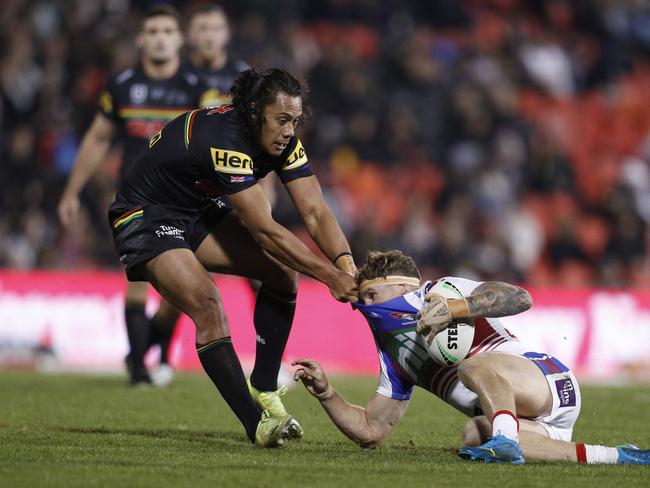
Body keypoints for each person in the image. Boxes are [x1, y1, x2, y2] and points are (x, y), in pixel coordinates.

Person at [107, 67, 357, 447]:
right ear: (256, 111)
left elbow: (316, 213)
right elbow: (266, 231)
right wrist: (330, 277)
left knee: (282, 274)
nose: (290, 130)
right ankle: (255, 422)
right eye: (282, 120)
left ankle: (265, 389)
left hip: (194, 210)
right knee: (208, 303)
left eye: (295, 120)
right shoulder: (225, 139)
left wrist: (347, 265)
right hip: (144, 213)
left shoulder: (284, 142)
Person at [293, 250, 650, 464]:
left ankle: (505, 440)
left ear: (403, 287)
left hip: (545, 380)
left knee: (471, 366)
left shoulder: (439, 291)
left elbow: (519, 298)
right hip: (520, 417)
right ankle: (620, 455)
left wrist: (456, 309)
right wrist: (327, 394)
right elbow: (371, 431)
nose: (365, 308)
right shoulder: (393, 355)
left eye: (372, 296)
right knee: (473, 434)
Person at [57, 5, 210, 386]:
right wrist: (72, 190)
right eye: (153, 31)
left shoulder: (197, 87)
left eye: (167, 31)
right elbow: (97, 139)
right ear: (141, 39)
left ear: (180, 39)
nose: (160, 38)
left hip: (185, 199)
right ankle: (140, 372)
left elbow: (213, 141)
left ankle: (143, 350)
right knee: (140, 280)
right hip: (136, 198)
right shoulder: (123, 85)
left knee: (181, 291)